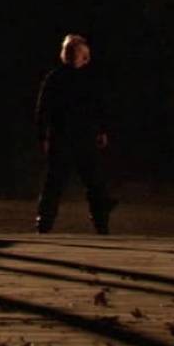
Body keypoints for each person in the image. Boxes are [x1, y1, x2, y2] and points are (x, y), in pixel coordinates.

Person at [33, 33, 116, 234]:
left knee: (95, 182)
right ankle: (44, 224)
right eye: (70, 51)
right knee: (54, 183)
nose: (72, 55)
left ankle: (102, 224)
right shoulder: (55, 78)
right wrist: (42, 136)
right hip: (61, 137)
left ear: (84, 56)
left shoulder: (90, 79)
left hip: (85, 137)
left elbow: (101, 106)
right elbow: (43, 108)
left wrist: (103, 130)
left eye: (76, 51)